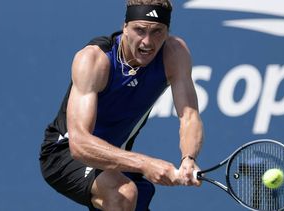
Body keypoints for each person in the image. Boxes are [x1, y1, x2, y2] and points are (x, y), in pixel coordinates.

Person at [39, 0, 204, 210]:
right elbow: (79, 143)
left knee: (129, 199)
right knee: (123, 194)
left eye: (157, 32)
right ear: (125, 27)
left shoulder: (174, 53)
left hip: (116, 155)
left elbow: (189, 116)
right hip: (65, 152)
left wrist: (188, 158)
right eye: (140, 30)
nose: (147, 41)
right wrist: (145, 164)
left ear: (167, 31)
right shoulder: (94, 60)